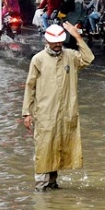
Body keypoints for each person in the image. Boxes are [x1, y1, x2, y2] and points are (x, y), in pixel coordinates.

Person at [21, 22, 95, 192]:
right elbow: (30, 86)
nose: (57, 45)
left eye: (60, 41)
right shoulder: (38, 59)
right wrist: (27, 113)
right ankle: (40, 188)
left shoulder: (70, 56)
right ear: (46, 40)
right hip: (45, 113)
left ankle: (53, 184)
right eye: (54, 42)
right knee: (44, 147)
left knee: (59, 146)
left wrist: (76, 36)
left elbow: (88, 58)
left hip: (66, 112)